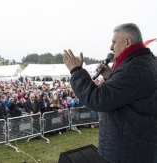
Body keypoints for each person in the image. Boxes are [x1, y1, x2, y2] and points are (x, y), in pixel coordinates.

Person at [63, 23, 157, 163]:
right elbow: (130, 91)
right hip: (138, 144)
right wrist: (112, 75)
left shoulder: (133, 68)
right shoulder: (146, 61)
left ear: (127, 41)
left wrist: (76, 71)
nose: (111, 47)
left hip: (128, 150)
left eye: (114, 42)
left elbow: (97, 100)